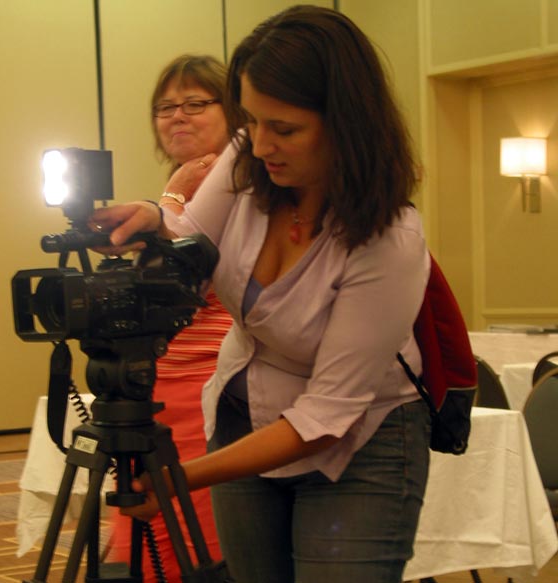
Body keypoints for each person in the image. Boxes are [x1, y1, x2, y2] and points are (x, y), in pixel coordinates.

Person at [93, 6, 431, 582]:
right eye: (252, 122)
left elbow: (327, 417)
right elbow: (190, 242)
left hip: (361, 443)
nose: (261, 143)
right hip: (246, 416)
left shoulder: (388, 239)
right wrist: (153, 215)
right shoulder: (251, 157)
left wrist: (184, 478)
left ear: (346, 123)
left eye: (286, 129)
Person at [106, 54, 231, 582]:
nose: (177, 116)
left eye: (196, 104)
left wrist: (172, 197)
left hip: (214, 380)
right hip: (159, 375)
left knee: (197, 531)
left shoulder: (248, 184)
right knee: (144, 528)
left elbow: (188, 277)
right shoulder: (179, 185)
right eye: (165, 107)